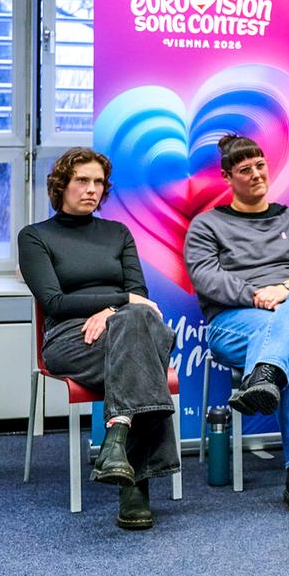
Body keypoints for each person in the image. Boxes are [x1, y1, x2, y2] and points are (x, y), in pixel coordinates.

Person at [18, 147, 179, 531]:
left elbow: (142, 298)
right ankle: (135, 486)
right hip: (70, 339)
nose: (92, 189)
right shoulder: (35, 237)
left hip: (127, 327)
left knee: (137, 325)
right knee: (140, 341)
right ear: (61, 186)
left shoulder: (117, 233)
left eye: (98, 183)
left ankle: (116, 441)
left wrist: (112, 314)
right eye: (82, 181)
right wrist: (120, 301)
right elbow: (55, 302)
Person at [183, 134, 289, 518]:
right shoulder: (207, 225)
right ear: (227, 177)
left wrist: (286, 289)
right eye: (244, 170)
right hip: (235, 323)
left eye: (260, 166)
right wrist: (256, 294)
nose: (256, 175)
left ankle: (265, 371)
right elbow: (206, 278)